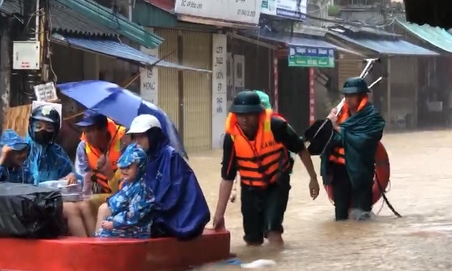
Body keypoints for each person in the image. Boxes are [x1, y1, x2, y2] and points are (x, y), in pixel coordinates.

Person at [213, 90, 320, 248]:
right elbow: (227, 177)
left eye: (249, 114)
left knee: (273, 231)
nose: (244, 119)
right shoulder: (232, 137)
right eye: (240, 114)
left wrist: (313, 179)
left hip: (277, 183)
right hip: (250, 187)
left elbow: (301, 149)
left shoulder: (276, 126)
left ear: (258, 113)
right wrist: (219, 214)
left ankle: (276, 269)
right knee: (252, 239)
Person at [126, 114, 210, 240]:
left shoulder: (170, 156)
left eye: (142, 137)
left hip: (175, 216)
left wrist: (146, 206)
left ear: (153, 136)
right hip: (150, 208)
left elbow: (172, 194)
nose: (137, 142)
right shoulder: (139, 158)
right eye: (135, 138)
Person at [26, 105, 95, 236]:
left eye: (49, 128)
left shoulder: (56, 152)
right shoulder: (24, 150)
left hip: (56, 199)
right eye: (38, 126)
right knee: (70, 209)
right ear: (31, 126)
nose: (43, 131)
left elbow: (75, 175)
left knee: (84, 206)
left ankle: (98, 245)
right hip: (32, 201)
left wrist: (71, 175)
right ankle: (85, 249)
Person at [323, 77, 385, 221]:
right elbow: (327, 141)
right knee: (340, 216)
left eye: (352, 95)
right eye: (346, 95)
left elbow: (363, 141)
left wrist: (337, 128)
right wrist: (329, 124)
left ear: (362, 96)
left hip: (361, 170)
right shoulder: (338, 115)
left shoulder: (372, 117)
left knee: (362, 215)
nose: (348, 99)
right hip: (340, 171)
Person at [95, 143, 155, 239]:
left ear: (140, 166)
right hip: (124, 225)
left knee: (105, 233)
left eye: (128, 167)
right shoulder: (129, 184)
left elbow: (133, 215)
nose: (124, 171)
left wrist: (114, 223)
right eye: (122, 167)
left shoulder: (142, 188)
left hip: (137, 230)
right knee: (102, 231)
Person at [74, 111, 127, 211]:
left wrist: (110, 174)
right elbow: (83, 179)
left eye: (90, 130)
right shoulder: (83, 146)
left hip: (126, 194)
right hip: (103, 192)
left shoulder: (124, 140)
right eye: (85, 131)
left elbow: (129, 185)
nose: (86, 136)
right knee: (85, 203)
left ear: (103, 130)